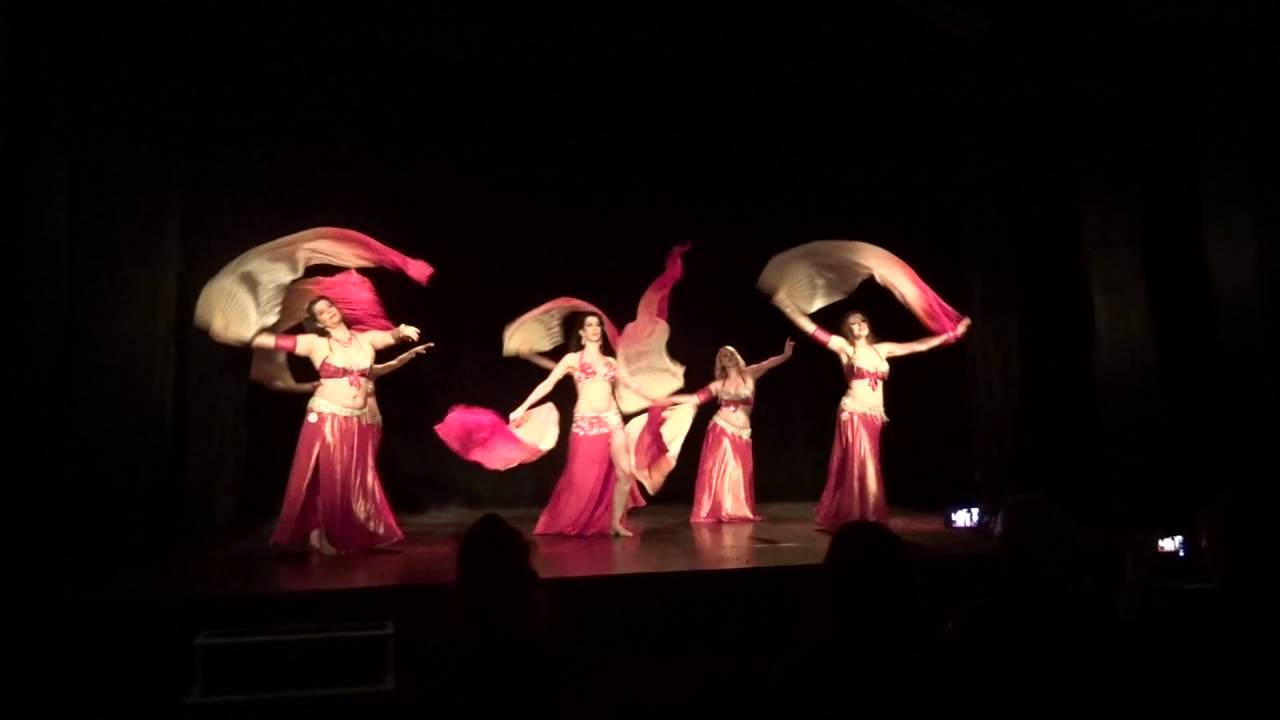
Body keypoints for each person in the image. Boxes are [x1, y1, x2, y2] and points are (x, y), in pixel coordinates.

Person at [243, 296, 422, 553]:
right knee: (329, 476)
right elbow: (270, 342)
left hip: (360, 418)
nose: (328, 312)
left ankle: (336, 534)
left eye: (330, 306)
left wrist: (401, 331)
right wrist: (241, 332)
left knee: (353, 479)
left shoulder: (365, 339)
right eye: (321, 312)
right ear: (318, 322)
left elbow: (389, 336)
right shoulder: (314, 343)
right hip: (328, 415)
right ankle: (326, 535)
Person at [773, 300, 969, 526]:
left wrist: (952, 334)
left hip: (874, 416)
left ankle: (862, 514)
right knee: (862, 462)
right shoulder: (845, 347)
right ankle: (861, 516)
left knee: (869, 462)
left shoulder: (881, 349)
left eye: (862, 321)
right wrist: (786, 306)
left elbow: (919, 346)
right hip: (853, 412)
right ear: (848, 330)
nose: (859, 324)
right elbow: (811, 328)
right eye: (853, 323)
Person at [509, 313, 649, 537]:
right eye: (589, 325)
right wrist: (522, 407)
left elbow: (633, 387)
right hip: (586, 422)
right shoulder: (572, 359)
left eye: (597, 325)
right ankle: (572, 516)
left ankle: (615, 523)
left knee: (625, 472)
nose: (594, 328)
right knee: (579, 477)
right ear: (582, 333)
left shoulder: (611, 362)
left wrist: (658, 395)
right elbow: (548, 384)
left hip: (613, 420)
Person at [665, 340, 793, 522]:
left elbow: (767, 363)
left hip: (743, 433)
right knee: (723, 470)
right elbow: (695, 398)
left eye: (731, 353)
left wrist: (785, 355)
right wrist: (667, 399)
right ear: (721, 362)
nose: (729, 357)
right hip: (721, 428)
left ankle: (735, 510)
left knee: (739, 472)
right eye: (724, 356)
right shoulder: (719, 384)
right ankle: (720, 510)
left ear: (736, 356)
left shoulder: (749, 374)